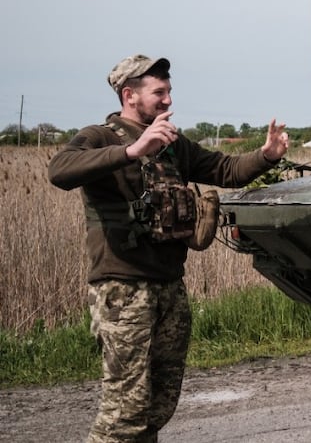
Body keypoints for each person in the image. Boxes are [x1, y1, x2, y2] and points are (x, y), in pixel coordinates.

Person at [48, 54, 290, 442]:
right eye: (158, 92)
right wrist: (132, 150)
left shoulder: (173, 144)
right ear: (129, 95)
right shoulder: (101, 137)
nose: (167, 101)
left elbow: (225, 168)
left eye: (169, 92)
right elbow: (59, 170)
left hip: (169, 286)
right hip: (122, 288)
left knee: (159, 404)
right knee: (125, 411)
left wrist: (266, 155)